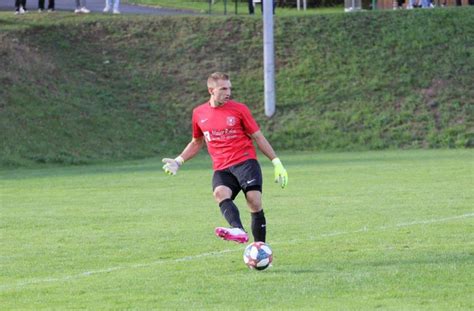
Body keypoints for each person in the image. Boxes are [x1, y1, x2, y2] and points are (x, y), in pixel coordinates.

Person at [162, 72, 288, 244]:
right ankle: (238, 230)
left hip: (245, 162)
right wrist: (179, 160)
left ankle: (261, 248)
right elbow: (197, 142)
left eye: (229, 88)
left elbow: (258, 137)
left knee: (254, 202)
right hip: (222, 167)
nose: (228, 92)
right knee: (220, 193)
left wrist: (276, 162)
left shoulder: (239, 109)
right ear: (211, 90)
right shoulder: (199, 113)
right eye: (223, 88)